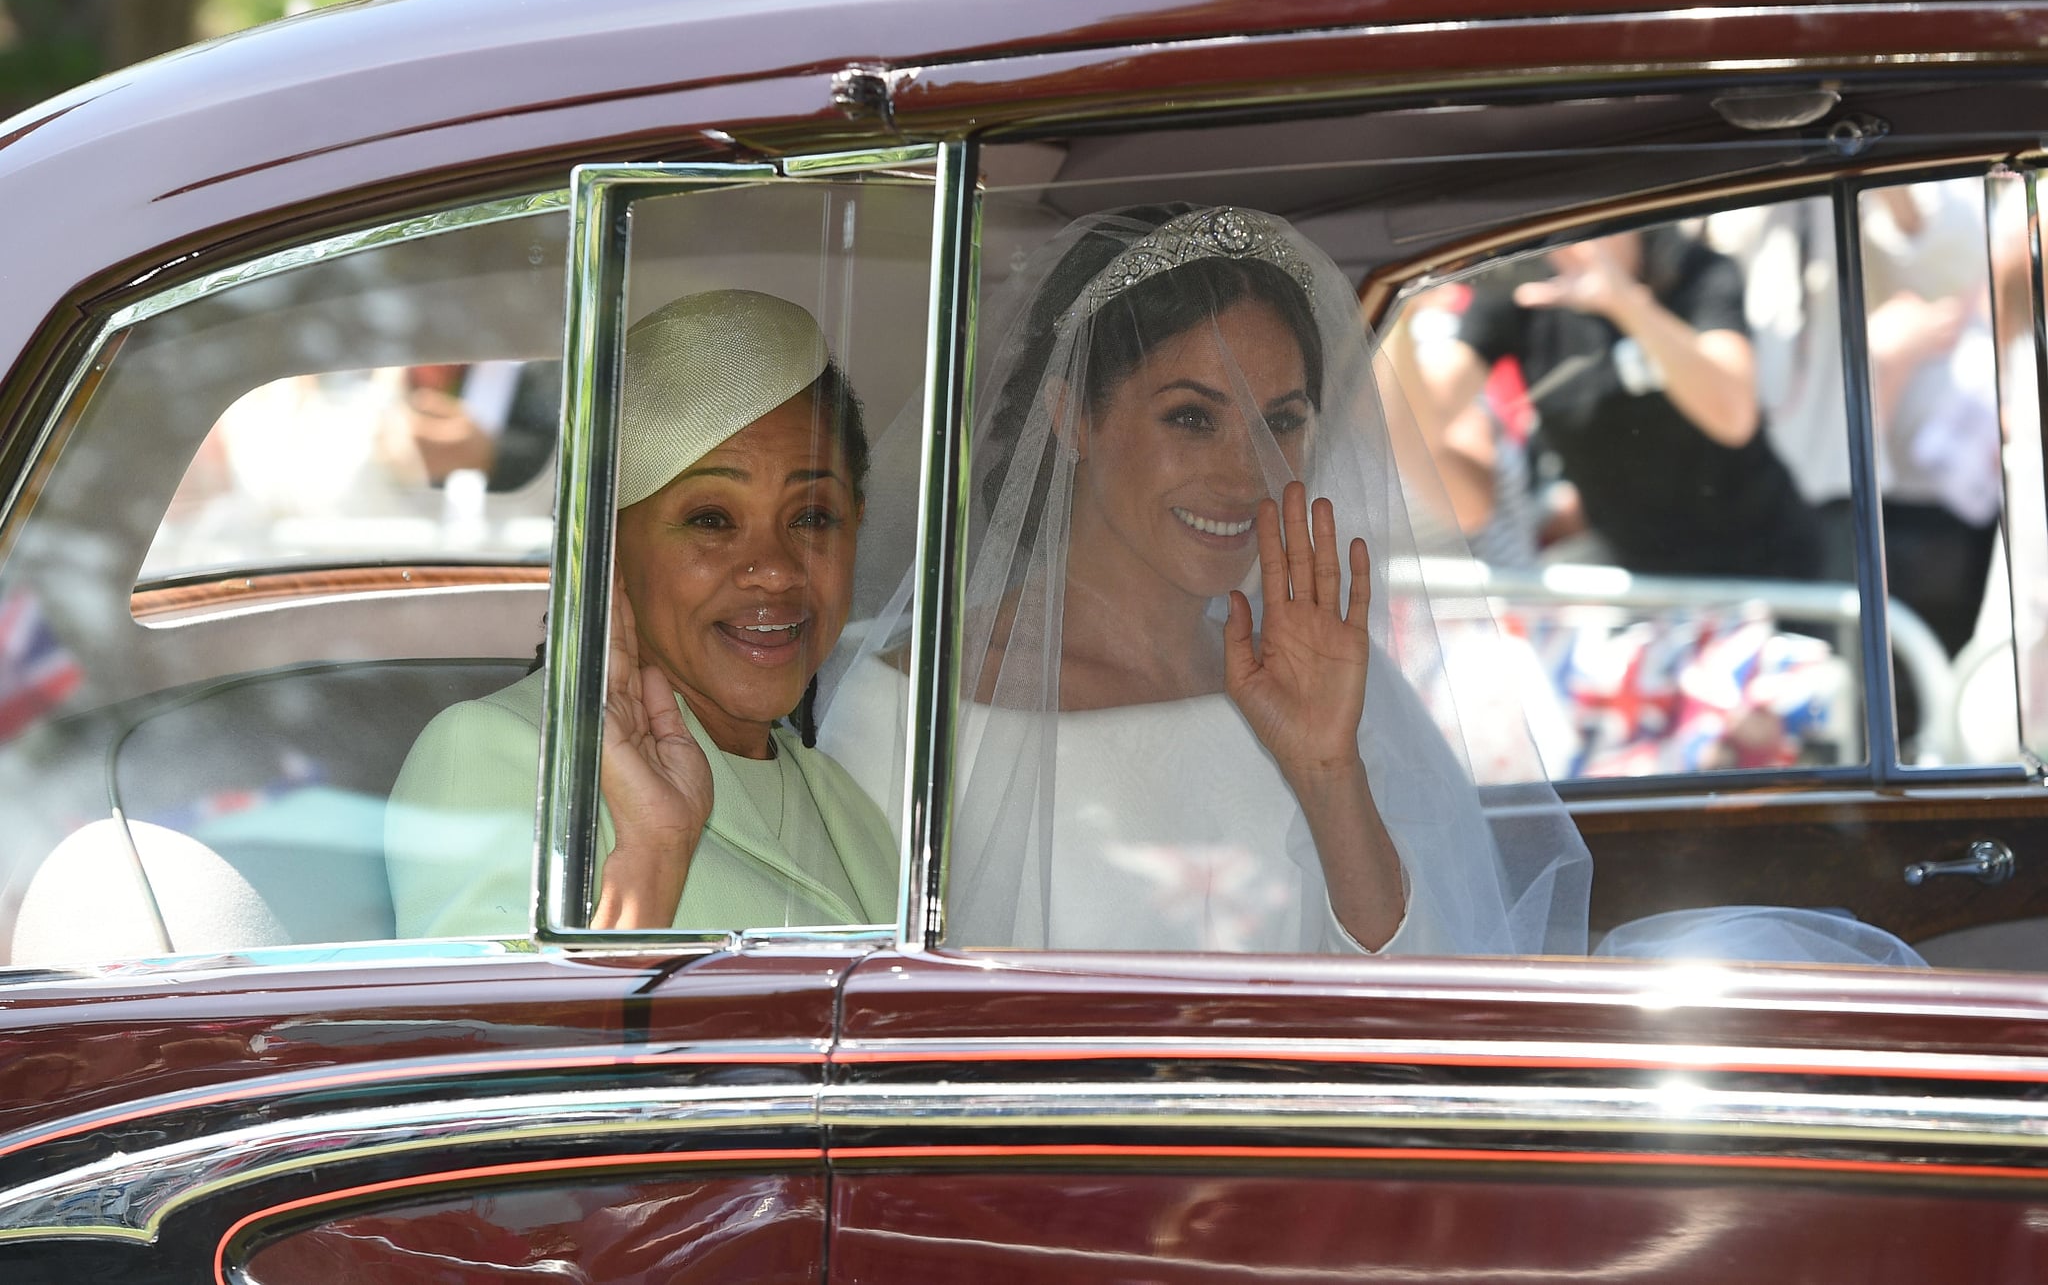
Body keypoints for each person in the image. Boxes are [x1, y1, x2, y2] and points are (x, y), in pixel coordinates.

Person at [820, 204, 1593, 955]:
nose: (1248, 470)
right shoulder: (906, 714)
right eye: (1192, 417)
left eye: (1282, 421)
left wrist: (1330, 776)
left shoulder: (1329, 687)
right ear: (1071, 415)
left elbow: (1425, 995)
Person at [386, 289, 898, 937]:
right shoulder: (503, 755)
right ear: (609, 555)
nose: (776, 568)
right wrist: (654, 855)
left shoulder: (849, 807)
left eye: (813, 516)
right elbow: (498, 1036)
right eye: (712, 519)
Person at [1442, 228, 1825, 580]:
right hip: (1643, 581)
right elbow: (1434, 410)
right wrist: (1399, 320)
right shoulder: (1522, 289)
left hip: (1766, 566)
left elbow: (1734, 417)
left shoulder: (1694, 272)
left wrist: (1624, 302)